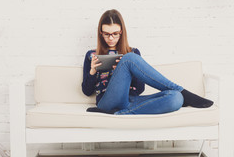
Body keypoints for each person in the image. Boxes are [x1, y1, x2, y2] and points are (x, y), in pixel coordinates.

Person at [82, 9, 213, 115]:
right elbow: (87, 91)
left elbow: (139, 89)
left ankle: (121, 113)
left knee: (176, 98)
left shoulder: (134, 52)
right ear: (100, 33)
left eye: (115, 33)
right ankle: (183, 90)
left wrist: (125, 73)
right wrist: (92, 71)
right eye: (106, 34)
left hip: (131, 100)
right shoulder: (92, 55)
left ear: (121, 32)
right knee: (129, 58)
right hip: (107, 101)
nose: (111, 38)